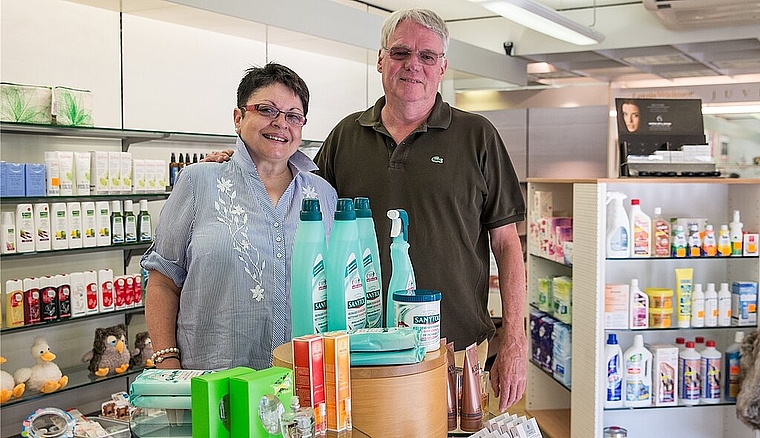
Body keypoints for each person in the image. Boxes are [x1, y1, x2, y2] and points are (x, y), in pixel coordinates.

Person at [204, 8, 527, 411]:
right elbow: (293, 195)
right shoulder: (346, 135)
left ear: (442, 66)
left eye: (427, 56)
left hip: (453, 351)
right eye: (400, 52)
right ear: (379, 60)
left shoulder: (478, 136)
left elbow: (507, 244)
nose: (413, 65)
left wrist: (514, 339)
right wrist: (237, 165)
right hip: (358, 354)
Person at [141, 63, 337, 371]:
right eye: (267, 110)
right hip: (214, 383)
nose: (280, 123)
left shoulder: (323, 194)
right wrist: (167, 361)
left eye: (293, 116)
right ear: (238, 117)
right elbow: (163, 279)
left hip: (306, 383)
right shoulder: (198, 182)